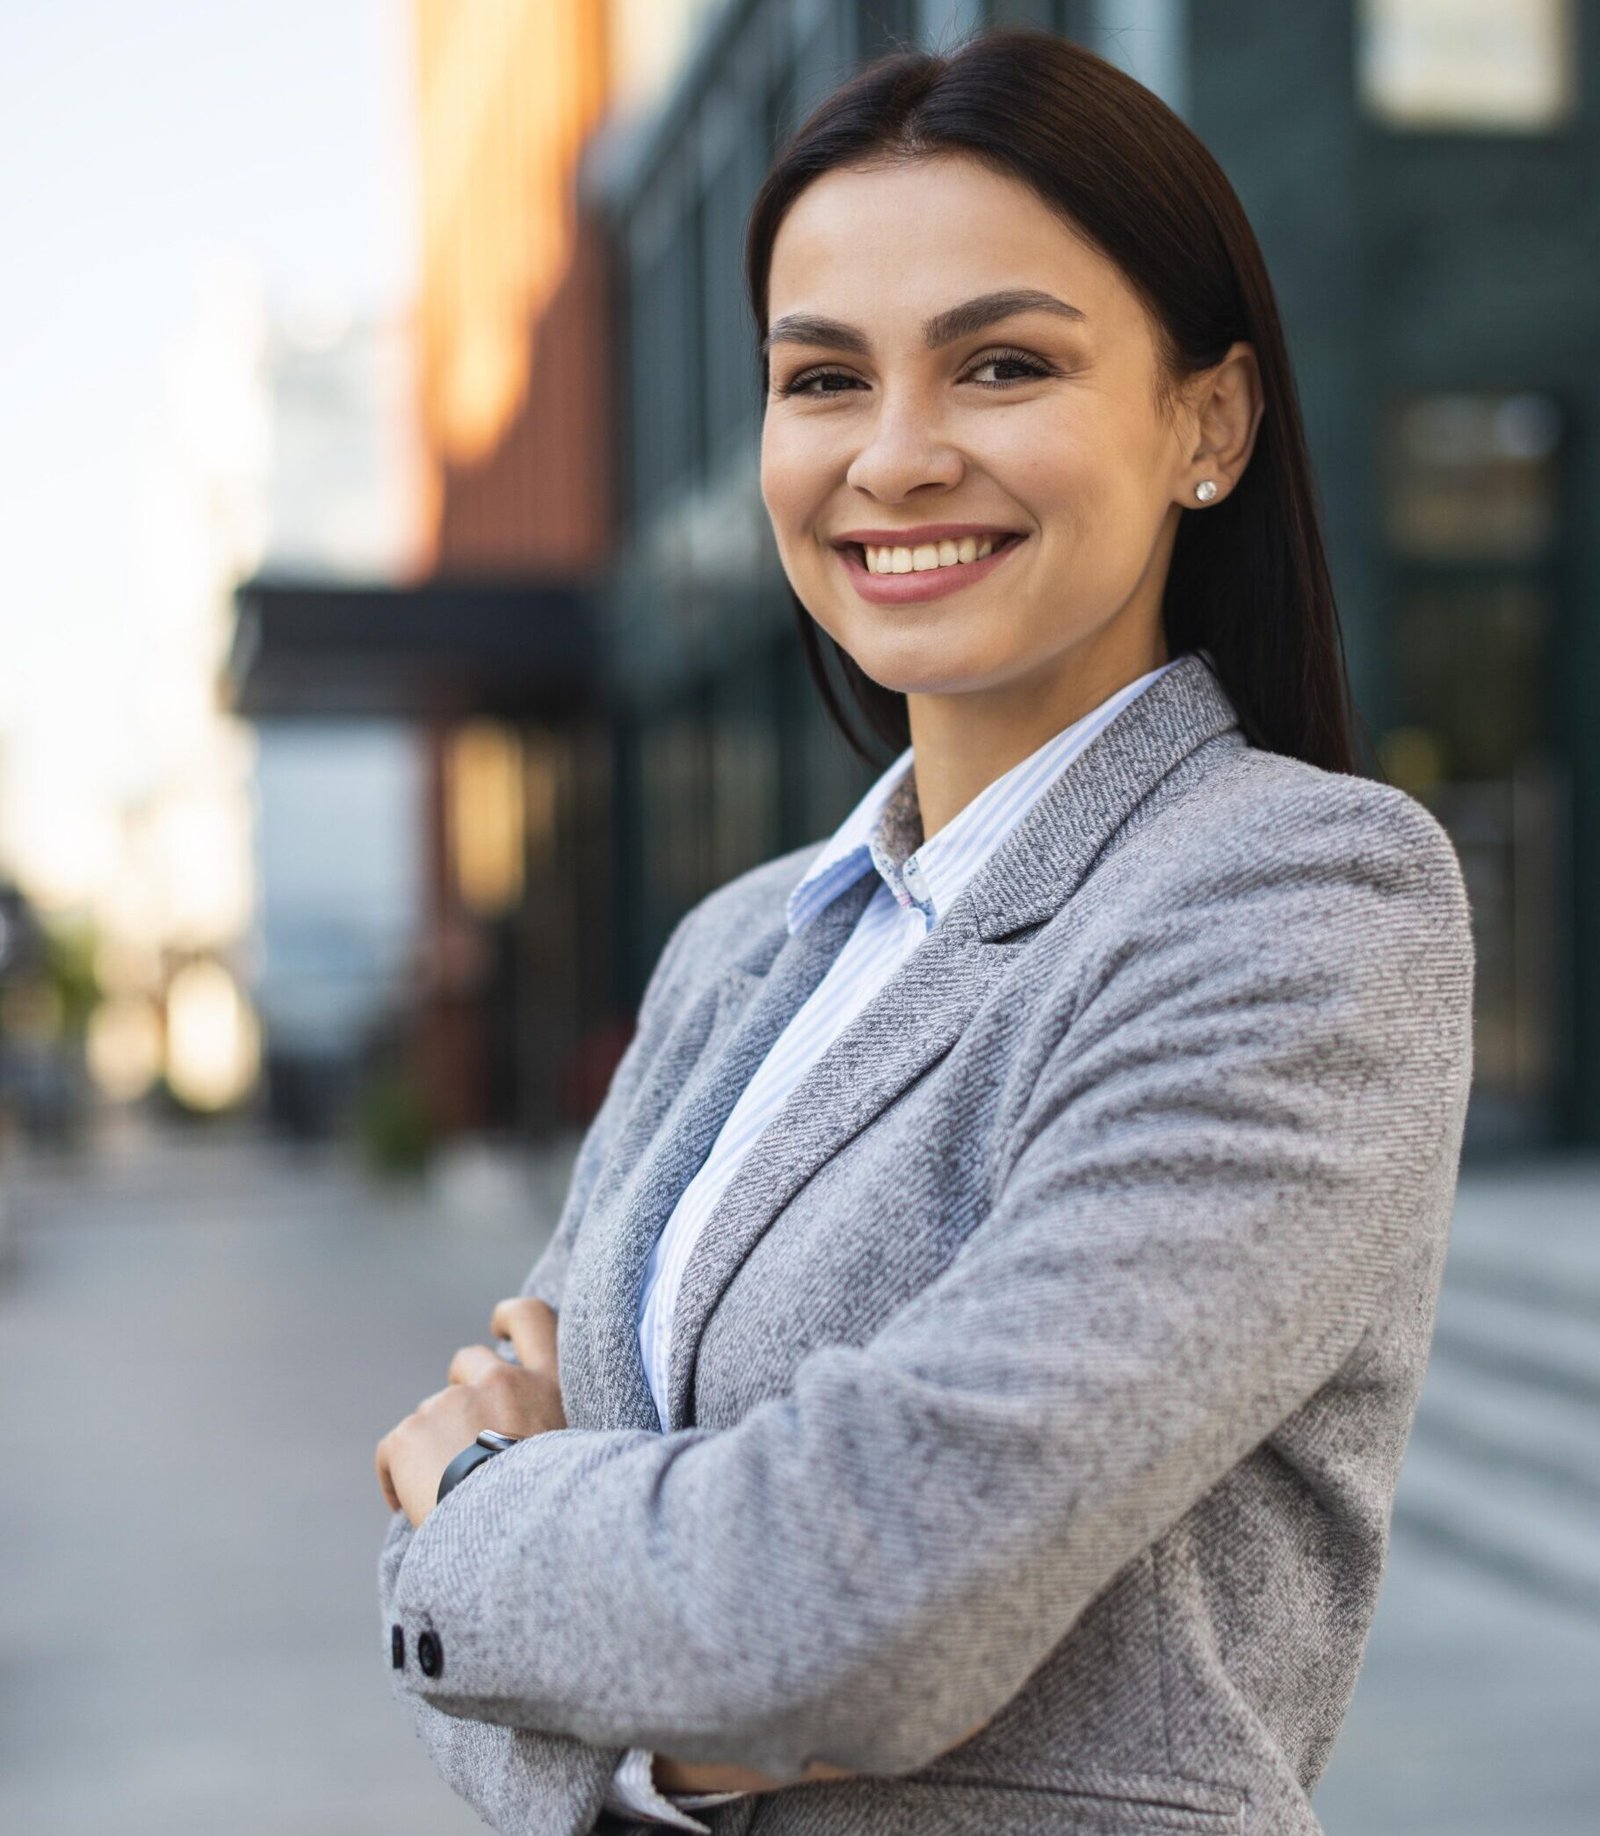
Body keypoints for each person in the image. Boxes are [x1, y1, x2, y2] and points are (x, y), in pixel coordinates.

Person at [374, 26, 1474, 1836]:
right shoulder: (738, 944)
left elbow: (863, 1606)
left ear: (1210, 421)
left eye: (1003, 362)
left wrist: (494, 1519)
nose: (894, 458)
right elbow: (438, 1622)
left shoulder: (1297, 899)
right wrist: (659, 1696)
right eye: (822, 381)